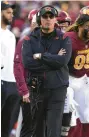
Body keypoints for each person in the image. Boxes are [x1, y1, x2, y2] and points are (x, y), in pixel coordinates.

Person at [22, 5, 71, 137]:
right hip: (37, 89)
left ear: (55, 19)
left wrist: (40, 56)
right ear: (39, 19)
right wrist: (53, 59)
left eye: (51, 17)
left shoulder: (64, 38)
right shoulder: (29, 39)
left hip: (57, 89)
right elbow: (28, 63)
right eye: (45, 16)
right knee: (37, 129)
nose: (48, 19)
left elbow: (62, 61)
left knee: (54, 130)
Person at [14, 9, 38, 137]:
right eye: (35, 22)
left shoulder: (51, 39)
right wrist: (24, 90)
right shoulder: (26, 39)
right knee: (27, 124)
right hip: (29, 87)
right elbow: (18, 67)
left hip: (44, 89)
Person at [1, 1, 20, 137]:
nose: (11, 15)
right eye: (8, 12)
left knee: (7, 123)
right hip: (1, 80)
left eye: (12, 13)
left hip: (11, 82)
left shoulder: (11, 35)